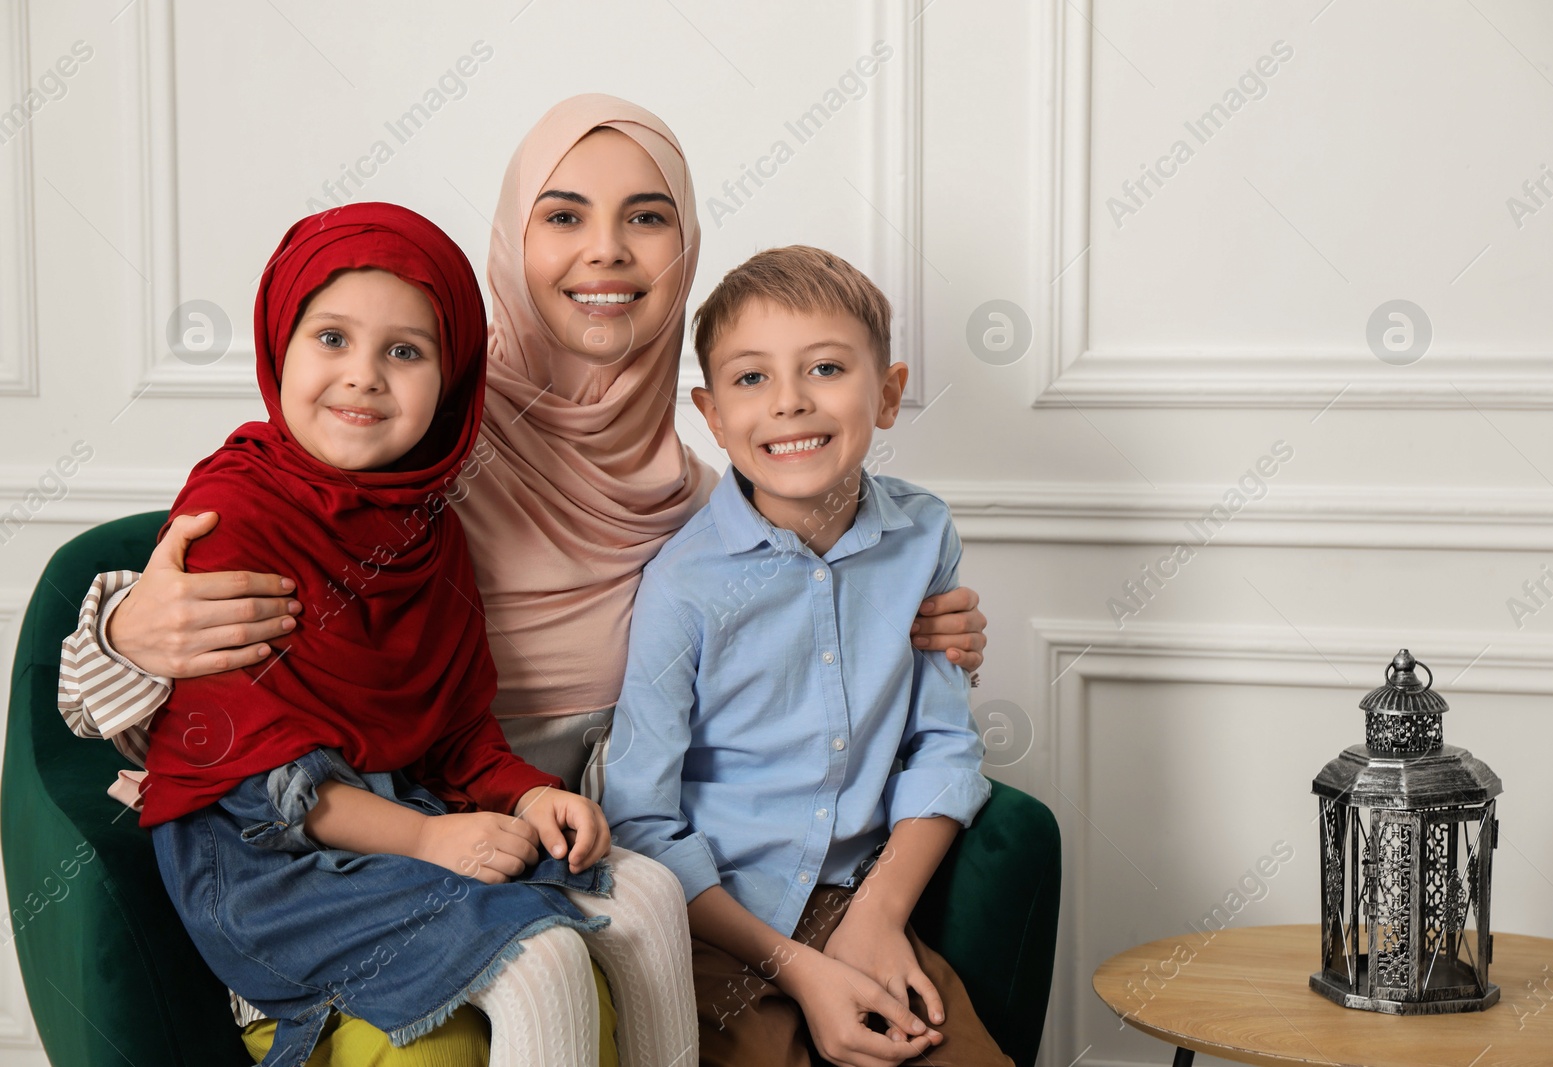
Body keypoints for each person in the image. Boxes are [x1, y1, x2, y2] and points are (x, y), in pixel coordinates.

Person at [58, 94, 988, 1064]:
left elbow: (826, 660)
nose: (608, 250)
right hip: (381, 842)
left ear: (686, 247)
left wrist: (928, 628)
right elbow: (178, 678)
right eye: (563, 213)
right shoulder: (423, 450)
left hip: (584, 837)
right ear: (511, 238)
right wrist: (126, 629)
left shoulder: (714, 501)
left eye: (647, 215)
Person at [132, 202, 695, 1067]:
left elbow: (460, 732)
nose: (363, 376)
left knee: (650, 890)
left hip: (404, 825)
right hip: (266, 870)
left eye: (405, 351)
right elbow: (259, 783)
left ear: (452, 380)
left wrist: (528, 796)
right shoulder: (234, 513)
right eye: (331, 339)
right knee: (540, 958)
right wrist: (432, 838)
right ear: (279, 342)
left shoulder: (426, 529)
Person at [603, 245, 1011, 1066]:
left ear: (887, 394)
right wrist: (796, 967)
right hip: (717, 927)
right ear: (712, 415)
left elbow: (942, 743)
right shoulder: (683, 584)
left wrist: (878, 915)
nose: (789, 403)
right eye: (752, 378)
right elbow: (643, 819)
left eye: (824, 367)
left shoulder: (923, 535)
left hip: (858, 904)